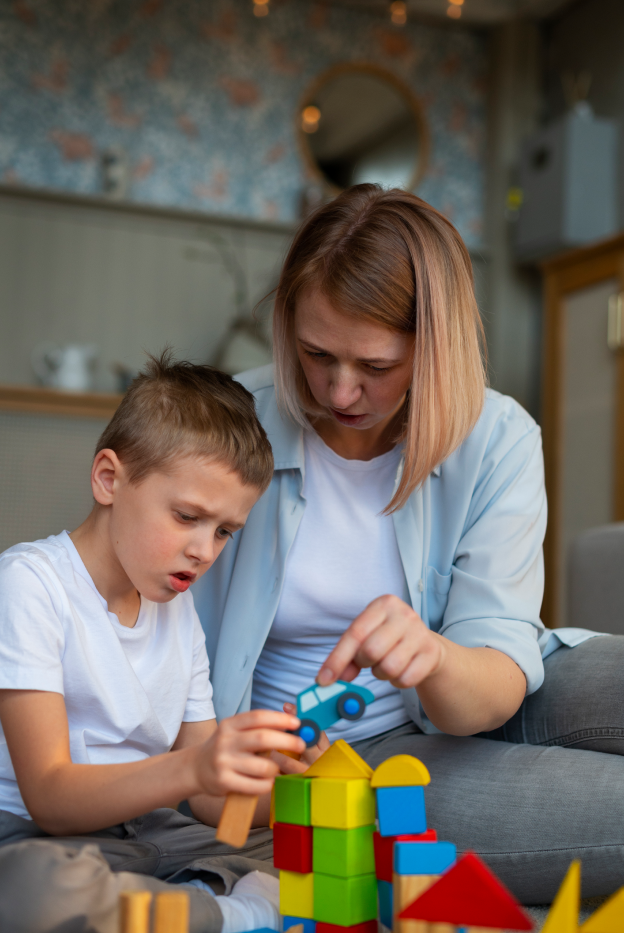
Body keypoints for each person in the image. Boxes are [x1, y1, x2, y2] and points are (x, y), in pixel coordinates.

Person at [194, 184, 624, 905]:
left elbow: (489, 682)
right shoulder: (229, 424)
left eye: (376, 366)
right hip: (350, 764)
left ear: (436, 347)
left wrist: (432, 655)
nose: (338, 391)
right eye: (315, 353)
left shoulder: (497, 437)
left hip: (477, 689)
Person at [0, 354, 309, 933]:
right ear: (110, 479)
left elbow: (215, 805)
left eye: (223, 531)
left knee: (306, 860)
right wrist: (194, 767)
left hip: (147, 835)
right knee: (33, 893)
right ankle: (224, 911)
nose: (204, 550)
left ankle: (186, 908)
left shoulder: (178, 611)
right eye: (187, 516)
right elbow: (49, 795)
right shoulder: (29, 583)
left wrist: (295, 788)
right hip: (39, 835)